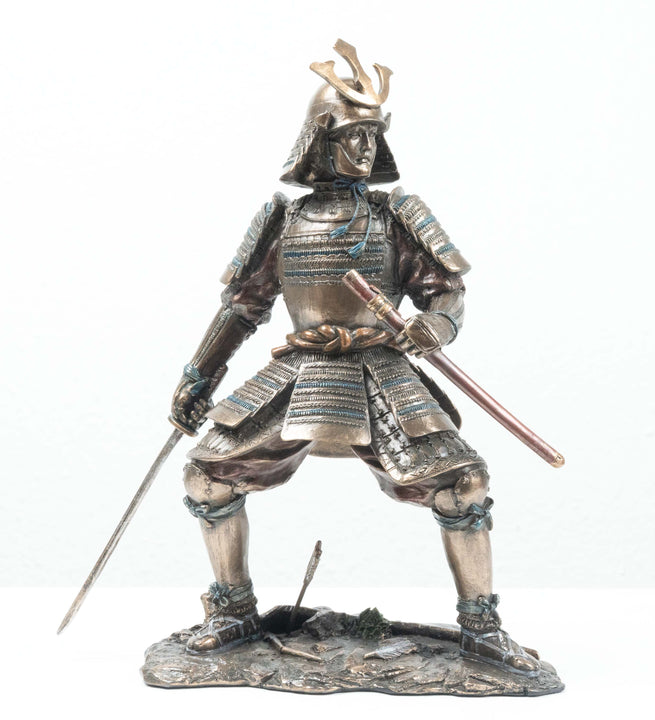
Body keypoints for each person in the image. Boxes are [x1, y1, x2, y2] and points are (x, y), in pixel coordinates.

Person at [169, 40, 540, 677]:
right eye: (352, 136)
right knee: (207, 474)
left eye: (373, 136)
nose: (365, 150)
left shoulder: (396, 216)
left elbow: (446, 290)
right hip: (301, 372)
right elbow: (242, 306)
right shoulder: (281, 220)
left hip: (380, 370)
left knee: (464, 483)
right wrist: (198, 377)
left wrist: (434, 325)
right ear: (319, 140)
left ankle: (482, 630)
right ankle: (233, 612)